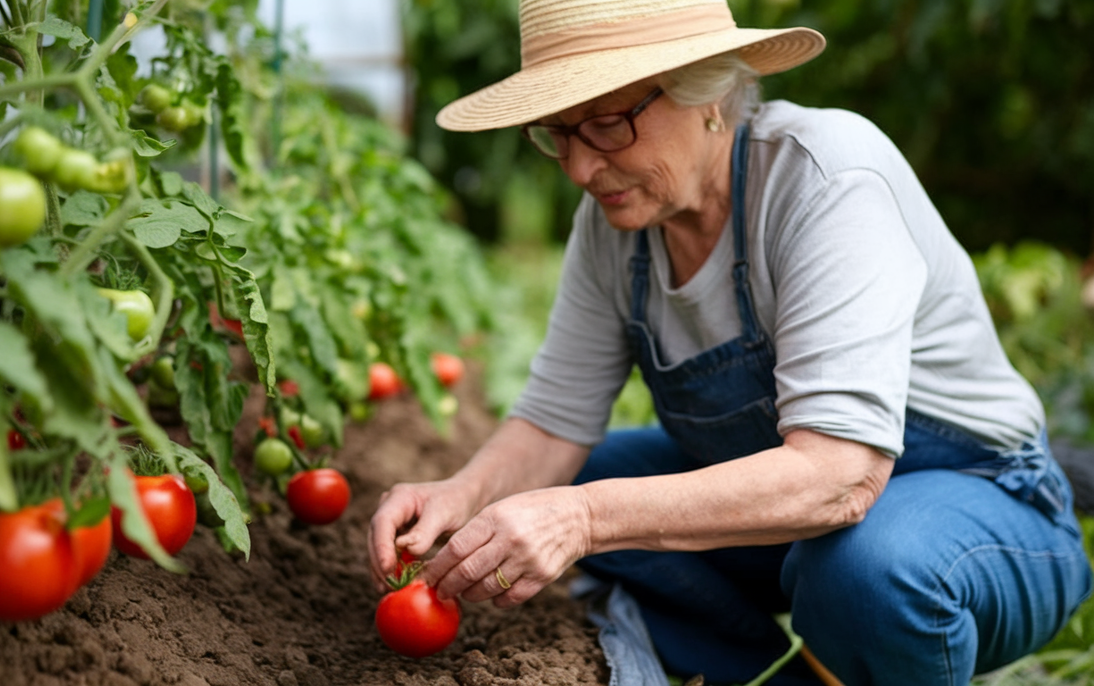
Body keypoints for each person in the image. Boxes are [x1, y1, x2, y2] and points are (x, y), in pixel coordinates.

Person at [367, 0, 1094, 684]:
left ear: (708, 90)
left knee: (870, 569)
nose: (581, 169)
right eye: (558, 133)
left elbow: (839, 476)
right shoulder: (615, 225)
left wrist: (583, 519)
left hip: (981, 506)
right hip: (796, 518)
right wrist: (463, 494)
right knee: (575, 479)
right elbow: (555, 421)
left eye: (608, 124)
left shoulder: (826, 178)